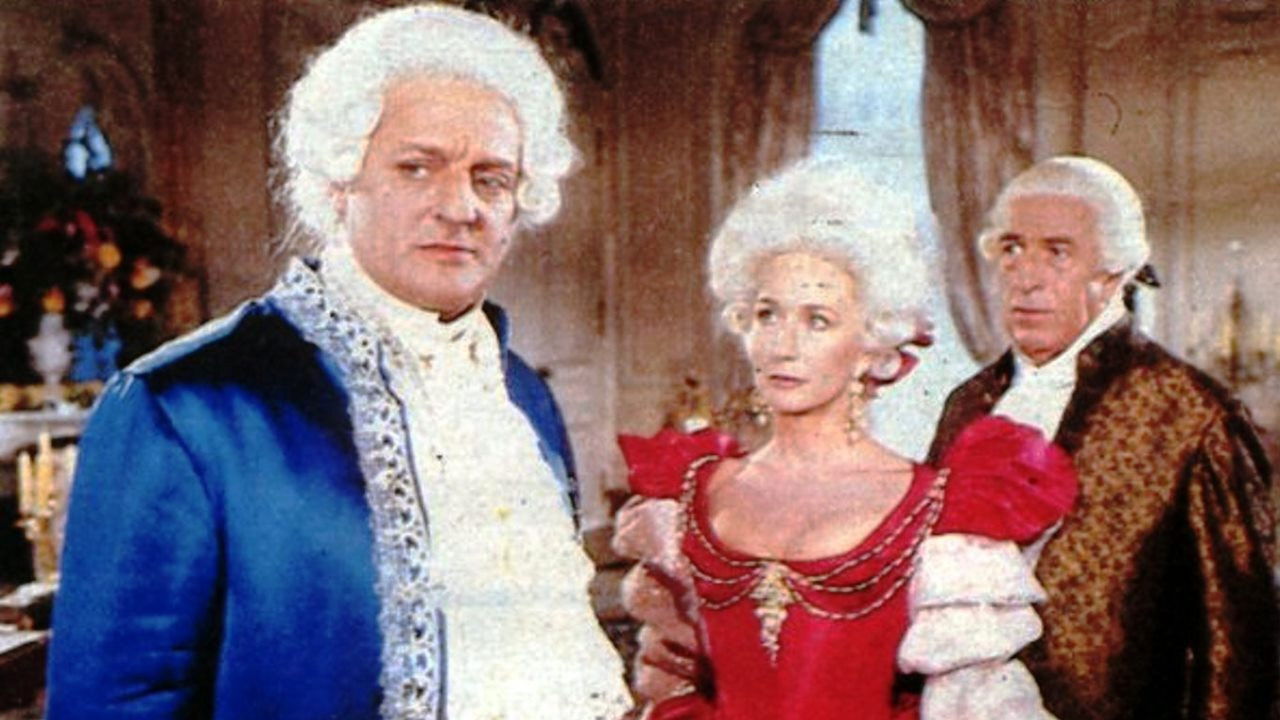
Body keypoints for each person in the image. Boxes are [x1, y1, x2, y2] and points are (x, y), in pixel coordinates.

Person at [45, 5, 630, 719]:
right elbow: (113, 704)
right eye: (417, 168)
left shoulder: (524, 399)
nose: (460, 206)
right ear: (338, 181)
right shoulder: (182, 405)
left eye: (492, 178)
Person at [612, 160, 1079, 719]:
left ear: (872, 344)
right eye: (767, 314)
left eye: (818, 320)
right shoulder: (693, 492)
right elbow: (675, 686)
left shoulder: (935, 508)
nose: (783, 345)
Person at [927, 155, 1278, 719]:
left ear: (1114, 273)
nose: (1026, 276)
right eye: (1012, 248)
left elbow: (1239, 653)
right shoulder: (966, 405)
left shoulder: (1191, 412)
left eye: (1057, 252)